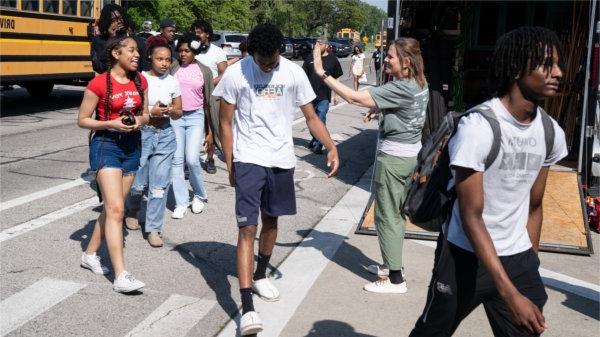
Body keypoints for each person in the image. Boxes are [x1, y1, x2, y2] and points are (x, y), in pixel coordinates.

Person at [409, 26, 567, 337]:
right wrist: (510, 294)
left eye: (559, 64)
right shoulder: (478, 128)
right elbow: (472, 216)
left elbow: (534, 206)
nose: (558, 73)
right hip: (464, 256)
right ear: (516, 68)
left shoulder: (551, 133)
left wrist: (530, 263)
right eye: (546, 64)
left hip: (518, 257)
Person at [214, 24, 340, 335]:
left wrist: (331, 146)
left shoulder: (294, 74)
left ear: (279, 51)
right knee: (247, 227)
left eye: (271, 60)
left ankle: (259, 275)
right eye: (261, 60)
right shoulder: (236, 73)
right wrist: (230, 163)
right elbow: (225, 123)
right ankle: (247, 307)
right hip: (248, 157)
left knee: (271, 222)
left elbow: (311, 116)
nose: (267, 65)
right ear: (251, 51)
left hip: (281, 159)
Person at [313, 38, 429, 294]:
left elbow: (354, 97)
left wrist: (322, 72)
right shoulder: (419, 83)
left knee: (388, 217)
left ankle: (396, 279)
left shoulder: (401, 87)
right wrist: (380, 111)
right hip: (408, 157)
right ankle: (390, 265)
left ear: (406, 62)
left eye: (390, 57)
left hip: (394, 161)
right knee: (393, 214)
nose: (385, 59)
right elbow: (406, 111)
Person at [78, 34, 149, 293]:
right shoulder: (98, 84)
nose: (137, 54)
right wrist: (110, 123)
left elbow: (146, 113)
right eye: (131, 50)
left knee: (111, 210)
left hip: (132, 146)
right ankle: (121, 276)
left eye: (138, 51)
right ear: (116, 54)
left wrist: (142, 120)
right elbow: (83, 119)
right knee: (117, 209)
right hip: (106, 145)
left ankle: (89, 254)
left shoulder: (140, 81)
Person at [124, 36, 183, 247]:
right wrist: (151, 111)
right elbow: (131, 110)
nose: (164, 63)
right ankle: (131, 209)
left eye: (167, 59)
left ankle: (154, 228)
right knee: (138, 182)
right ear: (151, 58)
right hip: (143, 134)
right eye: (160, 59)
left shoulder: (173, 81)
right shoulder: (139, 79)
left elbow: (179, 111)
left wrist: (170, 111)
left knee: (159, 186)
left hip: (165, 135)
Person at [169, 33, 215, 219]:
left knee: (193, 160)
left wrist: (210, 132)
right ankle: (181, 201)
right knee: (176, 160)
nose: (182, 54)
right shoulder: (172, 68)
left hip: (196, 117)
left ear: (194, 51)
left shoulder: (204, 71)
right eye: (180, 51)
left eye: (187, 50)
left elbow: (209, 103)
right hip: (176, 117)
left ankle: (199, 195)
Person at [192, 19, 227, 175]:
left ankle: (210, 158)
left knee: (210, 127)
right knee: (192, 128)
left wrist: (209, 83)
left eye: (199, 32)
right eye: (194, 32)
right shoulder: (191, 50)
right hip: (192, 96)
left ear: (207, 34)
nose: (196, 35)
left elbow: (224, 74)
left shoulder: (217, 52)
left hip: (212, 96)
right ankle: (189, 162)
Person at [302, 37, 343, 154]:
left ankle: (319, 145)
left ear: (326, 45)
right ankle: (315, 138)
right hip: (309, 97)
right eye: (316, 44)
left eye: (320, 44)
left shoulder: (333, 60)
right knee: (310, 122)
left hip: (324, 96)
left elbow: (337, 78)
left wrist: (337, 95)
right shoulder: (310, 58)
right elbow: (302, 77)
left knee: (321, 118)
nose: (317, 46)